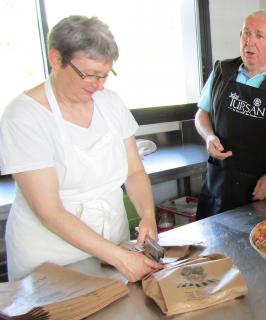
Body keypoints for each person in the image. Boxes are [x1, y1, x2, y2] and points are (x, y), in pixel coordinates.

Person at [0, 16, 162, 281]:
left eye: (105, 75)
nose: (99, 85)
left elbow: (134, 171)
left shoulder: (110, 102)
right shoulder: (24, 116)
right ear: (56, 59)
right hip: (51, 259)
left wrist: (147, 215)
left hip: (113, 245)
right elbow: (49, 210)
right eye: (89, 75)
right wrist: (121, 258)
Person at [194, 11, 266, 219]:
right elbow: (202, 112)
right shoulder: (221, 71)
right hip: (221, 183)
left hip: (263, 189)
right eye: (246, 33)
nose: (250, 41)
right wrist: (209, 136)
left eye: (259, 35)